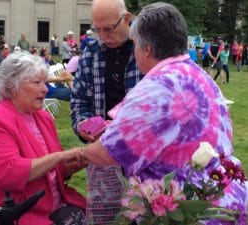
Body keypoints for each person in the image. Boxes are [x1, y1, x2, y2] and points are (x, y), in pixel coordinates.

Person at [72, 2, 248, 225]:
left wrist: (76, 154)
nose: (134, 53)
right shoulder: (199, 75)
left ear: (146, 49)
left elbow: (107, 153)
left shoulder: (154, 88)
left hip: (189, 212)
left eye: (135, 45)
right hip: (225, 198)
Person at [0, 52, 86, 225]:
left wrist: (71, 167)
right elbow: (8, 173)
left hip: (50, 204)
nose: (45, 88)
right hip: (9, 211)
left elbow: (51, 172)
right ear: (12, 87)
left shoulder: (42, 117)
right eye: (37, 82)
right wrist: (61, 156)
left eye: (44, 82)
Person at [70, 0, 144, 224]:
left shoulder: (145, 49)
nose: (103, 35)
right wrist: (82, 126)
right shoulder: (90, 51)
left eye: (109, 29)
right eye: (97, 29)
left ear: (127, 19)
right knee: (106, 217)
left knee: (146, 211)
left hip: (141, 152)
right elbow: (78, 99)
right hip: (103, 150)